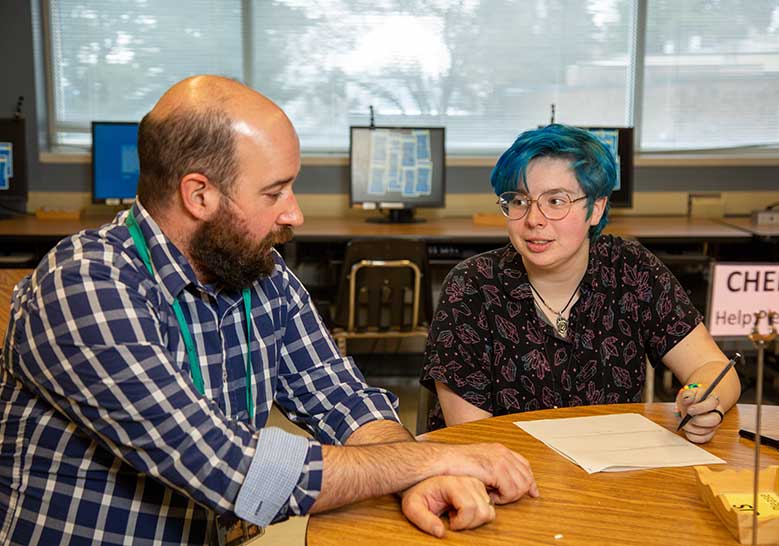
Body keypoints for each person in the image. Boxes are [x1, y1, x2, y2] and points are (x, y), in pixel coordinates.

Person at [0, 75, 538, 546]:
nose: (296, 213)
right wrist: (430, 459)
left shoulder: (263, 275)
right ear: (199, 196)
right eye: (275, 191)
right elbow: (233, 471)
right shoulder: (84, 284)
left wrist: (417, 477)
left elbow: (344, 400)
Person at [421, 124, 740, 442]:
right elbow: (473, 439)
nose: (534, 219)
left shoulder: (630, 270)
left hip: (612, 472)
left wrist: (703, 400)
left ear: (595, 208)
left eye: (556, 201)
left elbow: (712, 367)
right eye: (519, 201)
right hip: (506, 477)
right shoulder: (472, 287)